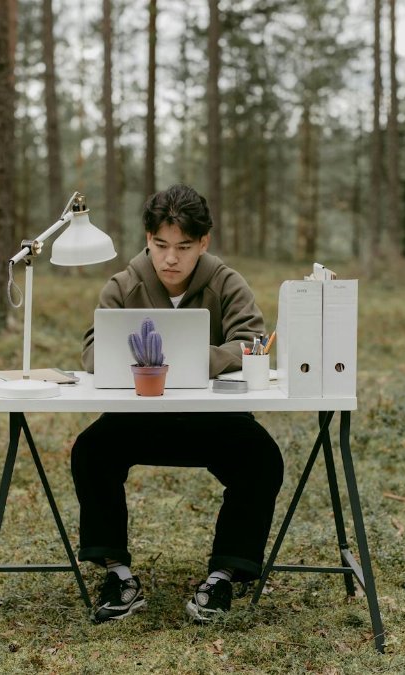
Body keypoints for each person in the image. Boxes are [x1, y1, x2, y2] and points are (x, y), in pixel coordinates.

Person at [73, 184, 283, 623]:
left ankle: (223, 577)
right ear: (147, 239)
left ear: (203, 243)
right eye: (161, 245)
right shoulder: (122, 285)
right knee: (91, 450)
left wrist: (197, 361)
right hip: (137, 417)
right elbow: (92, 354)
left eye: (184, 247)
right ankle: (119, 574)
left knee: (262, 458)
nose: (171, 258)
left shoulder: (227, 282)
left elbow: (253, 344)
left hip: (215, 421)